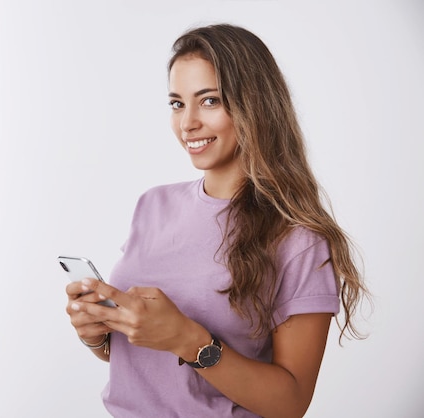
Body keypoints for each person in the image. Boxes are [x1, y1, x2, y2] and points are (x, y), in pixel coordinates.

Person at [65, 23, 368, 418]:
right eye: (177, 103)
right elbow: (155, 370)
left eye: (209, 101)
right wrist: (98, 338)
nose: (187, 122)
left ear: (255, 105)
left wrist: (189, 340)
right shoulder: (152, 205)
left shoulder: (298, 237)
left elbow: (291, 403)